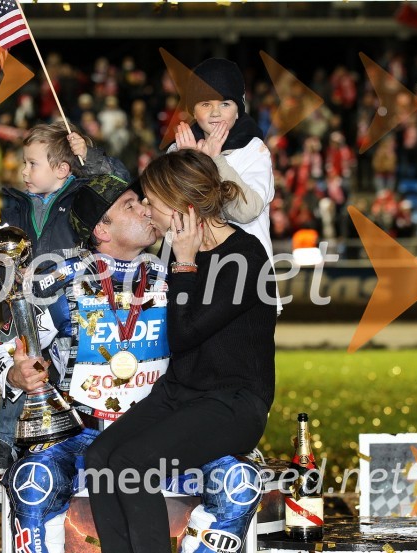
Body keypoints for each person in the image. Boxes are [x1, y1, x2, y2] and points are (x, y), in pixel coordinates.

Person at [85, 150, 276, 553]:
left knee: (133, 463)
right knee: (100, 456)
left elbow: (185, 334)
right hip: (181, 392)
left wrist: (186, 265)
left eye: (152, 202)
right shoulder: (177, 251)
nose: (147, 211)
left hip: (234, 402)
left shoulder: (247, 257)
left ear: (182, 207)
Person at [0, 174, 170, 553]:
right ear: (102, 228)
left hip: (160, 432)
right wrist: (18, 374)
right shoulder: (60, 278)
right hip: (82, 434)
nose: (146, 209)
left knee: (238, 480)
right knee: (32, 482)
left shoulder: (174, 273)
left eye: (143, 202)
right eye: (131, 205)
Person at [0, 121, 130, 476]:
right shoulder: (14, 206)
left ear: (62, 169)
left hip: (72, 311)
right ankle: (4, 440)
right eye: (24, 162)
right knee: (23, 370)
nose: (24, 171)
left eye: (33, 163)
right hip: (27, 309)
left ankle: (78, 439)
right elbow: (2, 257)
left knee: (73, 380)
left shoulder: (82, 197)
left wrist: (90, 157)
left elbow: (120, 184)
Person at [169, 58, 280, 313]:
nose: (216, 112)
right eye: (205, 103)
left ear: (239, 108)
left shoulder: (255, 150)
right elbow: (169, 215)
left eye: (225, 103)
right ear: (192, 110)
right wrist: (189, 162)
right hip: (193, 274)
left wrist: (213, 162)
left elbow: (246, 210)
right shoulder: (178, 150)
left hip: (246, 278)